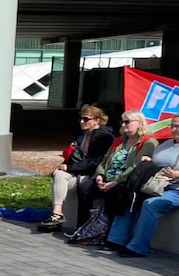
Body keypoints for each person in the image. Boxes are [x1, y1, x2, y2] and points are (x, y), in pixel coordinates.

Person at [72, 110, 157, 239]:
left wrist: (115, 182)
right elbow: (104, 160)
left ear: (139, 124)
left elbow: (135, 167)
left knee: (113, 195)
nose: (123, 125)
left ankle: (106, 233)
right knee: (84, 188)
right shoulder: (118, 141)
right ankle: (83, 228)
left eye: (127, 122)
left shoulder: (148, 142)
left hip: (124, 181)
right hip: (107, 178)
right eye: (122, 122)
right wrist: (100, 176)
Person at [108, 115, 179, 257]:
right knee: (130, 196)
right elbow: (157, 160)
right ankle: (116, 239)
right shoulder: (168, 144)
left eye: (177, 126)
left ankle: (138, 247)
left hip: (175, 189)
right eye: (172, 125)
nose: (173, 129)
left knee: (150, 204)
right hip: (155, 184)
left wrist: (177, 174)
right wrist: (149, 160)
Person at [37, 104, 114, 232]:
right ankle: (57, 214)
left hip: (92, 173)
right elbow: (75, 155)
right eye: (81, 118)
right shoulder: (82, 135)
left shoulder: (105, 137)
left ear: (97, 121)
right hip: (78, 170)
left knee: (82, 186)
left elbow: (95, 162)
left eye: (86, 119)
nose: (82, 121)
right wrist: (62, 166)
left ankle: (82, 226)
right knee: (59, 175)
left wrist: (69, 167)